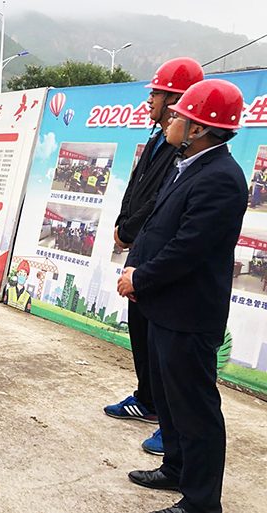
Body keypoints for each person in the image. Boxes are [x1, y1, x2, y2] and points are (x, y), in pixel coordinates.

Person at [118, 79, 248, 513]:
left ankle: (201, 501)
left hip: (189, 314)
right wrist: (136, 268)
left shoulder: (221, 178)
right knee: (171, 400)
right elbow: (158, 228)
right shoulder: (189, 165)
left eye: (179, 116)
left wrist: (141, 278)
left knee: (195, 409)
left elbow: (188, 249)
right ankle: (174, 467)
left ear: (198, 129)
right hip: (164, 306)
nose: (171, 120)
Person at [106, 58, 204, 456]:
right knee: (141, 330)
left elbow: (161, 202)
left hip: (159, 252)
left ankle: (169, 421)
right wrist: (122, 223)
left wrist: (130, 230)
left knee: (162, 342)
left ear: (176, 99)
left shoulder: (185, 151)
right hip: (140, 246)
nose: (149, 100)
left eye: (156, 94)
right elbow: (136, 187)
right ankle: (146, 400)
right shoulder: (156, 139)